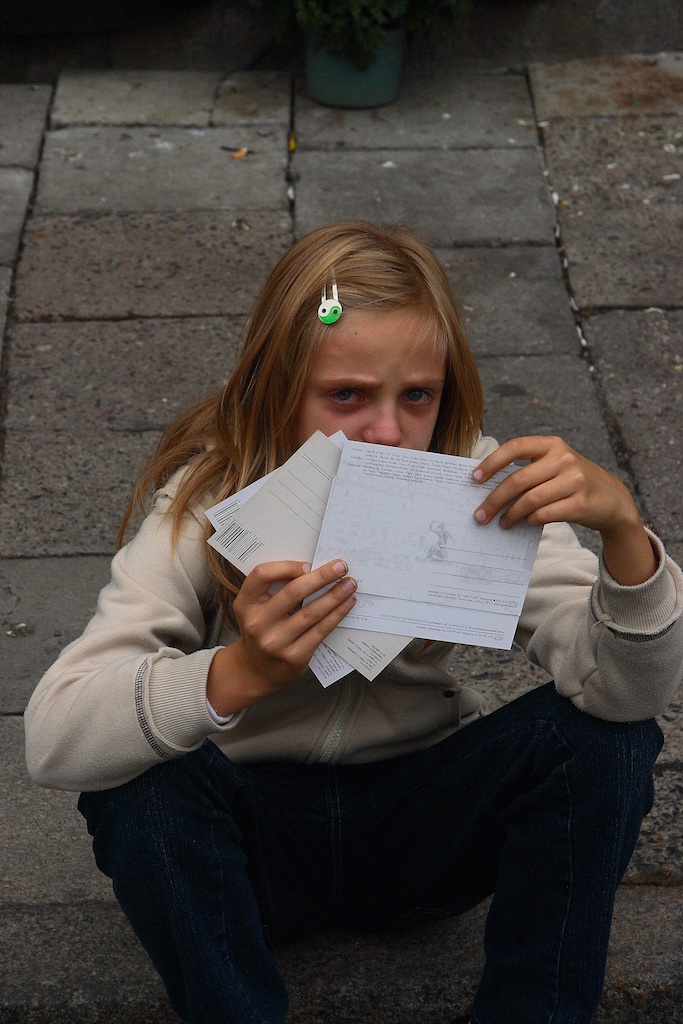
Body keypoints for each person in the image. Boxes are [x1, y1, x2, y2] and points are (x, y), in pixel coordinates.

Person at [25, 221, 683, 1024]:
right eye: (345, 396)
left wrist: (623, 539)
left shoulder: (477, 483)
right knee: (134, 783)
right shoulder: (207, 499)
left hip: (419, 832)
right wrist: (235, 676)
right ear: (277, 388)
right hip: (249, 848)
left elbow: (626, 695)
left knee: (604, 740)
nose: (384, 431)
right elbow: (54, 735)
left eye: (416, 396)